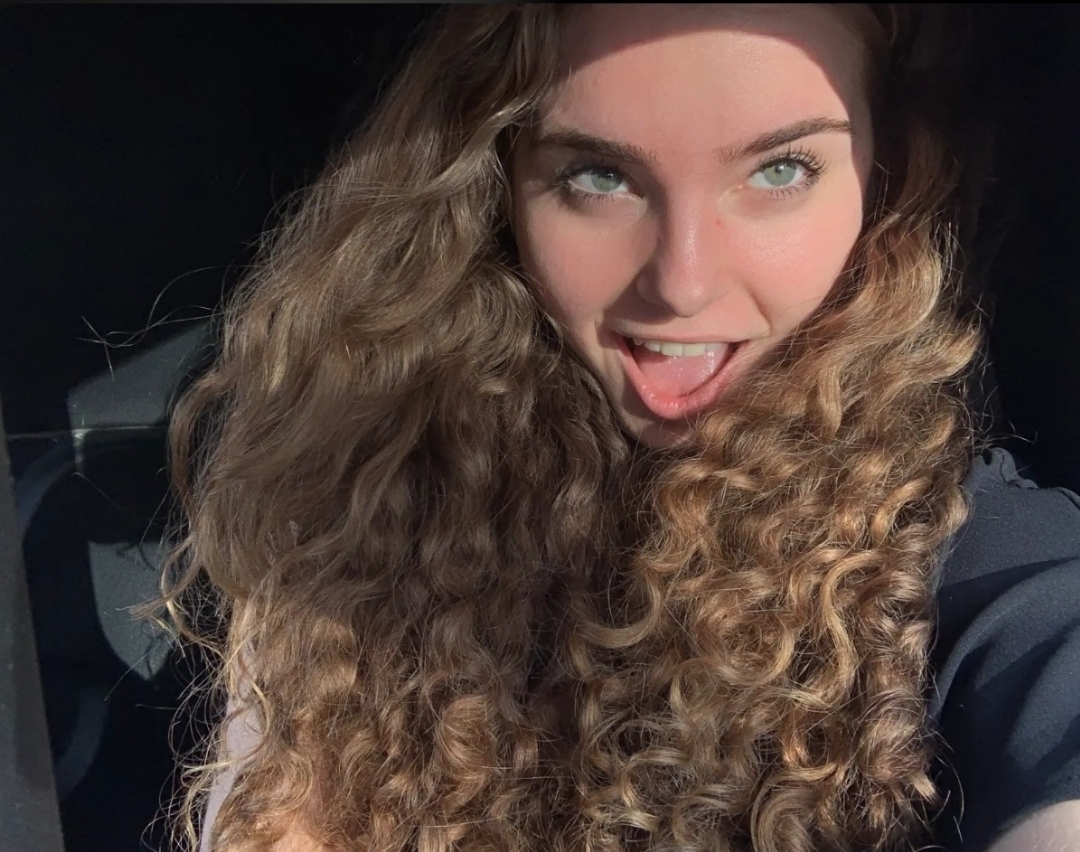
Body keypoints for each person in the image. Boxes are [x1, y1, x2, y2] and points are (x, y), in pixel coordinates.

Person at [160, 4, 1080, 851]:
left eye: (779, 170)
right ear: (500, 189)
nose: (682, 282)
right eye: (599, 176)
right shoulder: (357, 509)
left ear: (886, 181)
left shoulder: (986, 569)